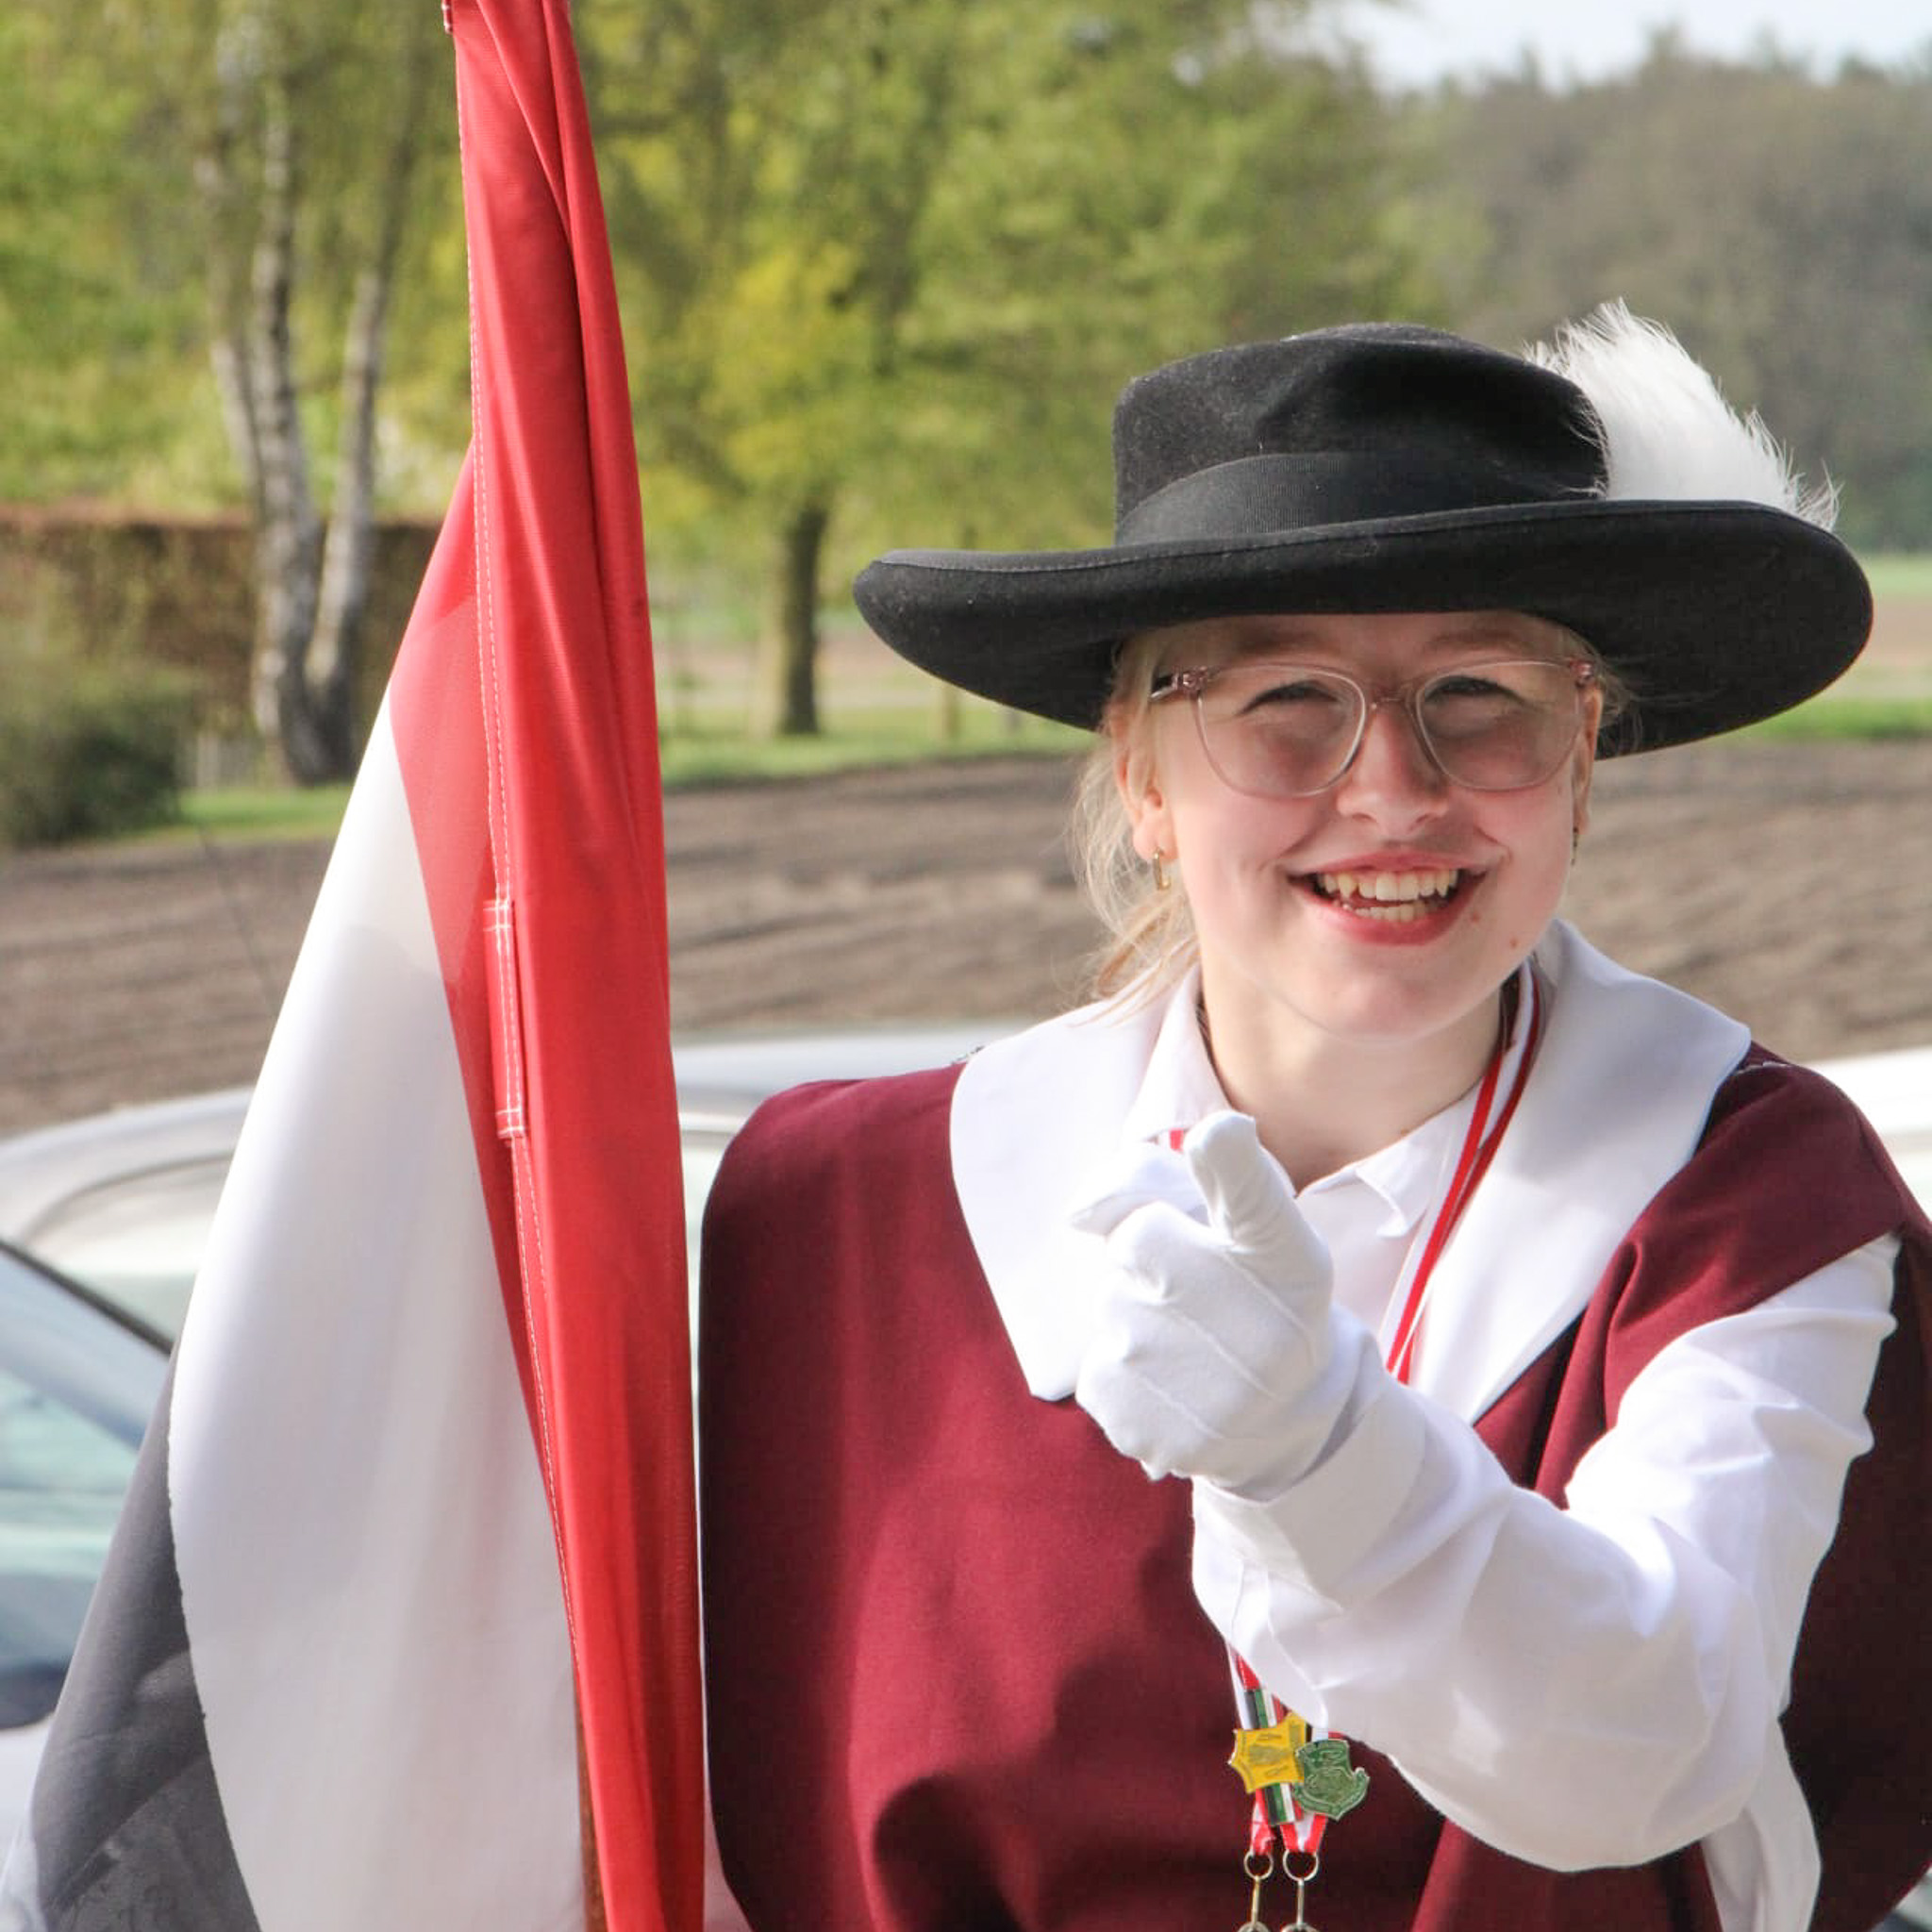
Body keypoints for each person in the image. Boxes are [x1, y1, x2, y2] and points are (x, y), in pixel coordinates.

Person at [695, 308, 1931, 1932]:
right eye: (1285, 696)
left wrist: (1323, 1459)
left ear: (1582, 756)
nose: (1396, 789)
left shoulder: (1747, 1193)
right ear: (1144, 774)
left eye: (1481, 693)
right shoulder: (833, 1212)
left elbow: (1657, 1744)